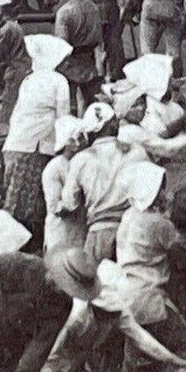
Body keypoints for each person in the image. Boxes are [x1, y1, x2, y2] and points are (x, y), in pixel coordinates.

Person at [114, 159, 186, 372]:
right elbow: (185, 252)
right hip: (150, 297)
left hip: (127, 295)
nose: (164, 194)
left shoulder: (129, 216)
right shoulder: (158, 223)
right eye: (160, 189)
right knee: (185, 343)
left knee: (135, 358)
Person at [0, 33, 71, 247]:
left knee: (16, 201)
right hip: (35, 147)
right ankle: (26, 247)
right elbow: (63, 119)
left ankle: (18, 246)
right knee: (32, 205)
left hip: (16, 144)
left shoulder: (30, 79)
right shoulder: (58, 81)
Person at [59, 107, 130, 264]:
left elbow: (70, 203)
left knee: (97, 282)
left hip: (99, 232)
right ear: (111, 124)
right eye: (114, 120)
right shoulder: (131, 151)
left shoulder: (80, 159)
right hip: (130, 229)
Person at [52, 0, 102, 111]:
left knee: (69, 105)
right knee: (90, 105)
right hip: (90, 62)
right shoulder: (93, 8)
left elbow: (62, 46)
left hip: (70, 65)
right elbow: (98, 38)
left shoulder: (64, 13)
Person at [42, 115, 87, 254]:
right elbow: (55, 205)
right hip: (61, 230)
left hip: (78, 228)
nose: (83, 142)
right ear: (70, 143)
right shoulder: (54, 168)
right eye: (79, 137)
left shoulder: (79, 163)